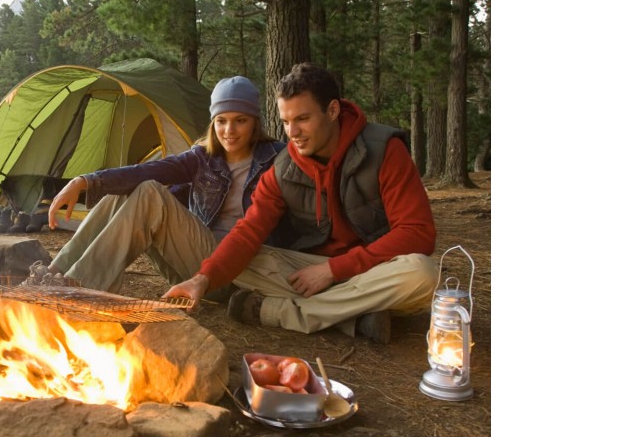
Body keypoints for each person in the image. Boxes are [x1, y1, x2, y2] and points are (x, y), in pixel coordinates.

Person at [163, 63, 438, 344]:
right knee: (241, 259)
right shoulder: (283, 168)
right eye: (285, 121)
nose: (293, 132)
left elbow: (418, 233)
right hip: (308, 272)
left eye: (303, 119)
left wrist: (334, 270)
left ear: (332, 111)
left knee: (422, 273)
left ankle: (282, 312)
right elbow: (248, 232)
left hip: (373, 269)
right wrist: (202, 279)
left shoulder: (383, 150)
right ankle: (356, 312)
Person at [41, 76, 288, 294]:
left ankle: (78, 288)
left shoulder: (277, 159)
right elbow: (152, 169)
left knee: (149, 192)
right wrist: (85, 181)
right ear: (213, 123)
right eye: (221, 121)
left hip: (236, 274)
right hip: (190, 267)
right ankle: (53, 273)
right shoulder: (203, 157)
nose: (229, 130)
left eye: (240, 120)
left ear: (255, 121)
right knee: (127, 189)